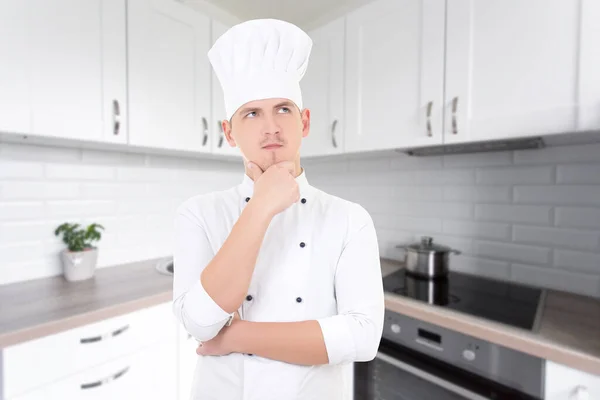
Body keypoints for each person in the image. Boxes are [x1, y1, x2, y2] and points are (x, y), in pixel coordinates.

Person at [172, 18, 385, 400]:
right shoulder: (198, 213)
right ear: (229, 131)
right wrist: (261, 206)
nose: (270, 127)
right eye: (251, 113)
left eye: (283, 109)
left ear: (303, 122)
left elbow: (363, 337)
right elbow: (201, 324)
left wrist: (235, 337)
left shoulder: (350, 219)